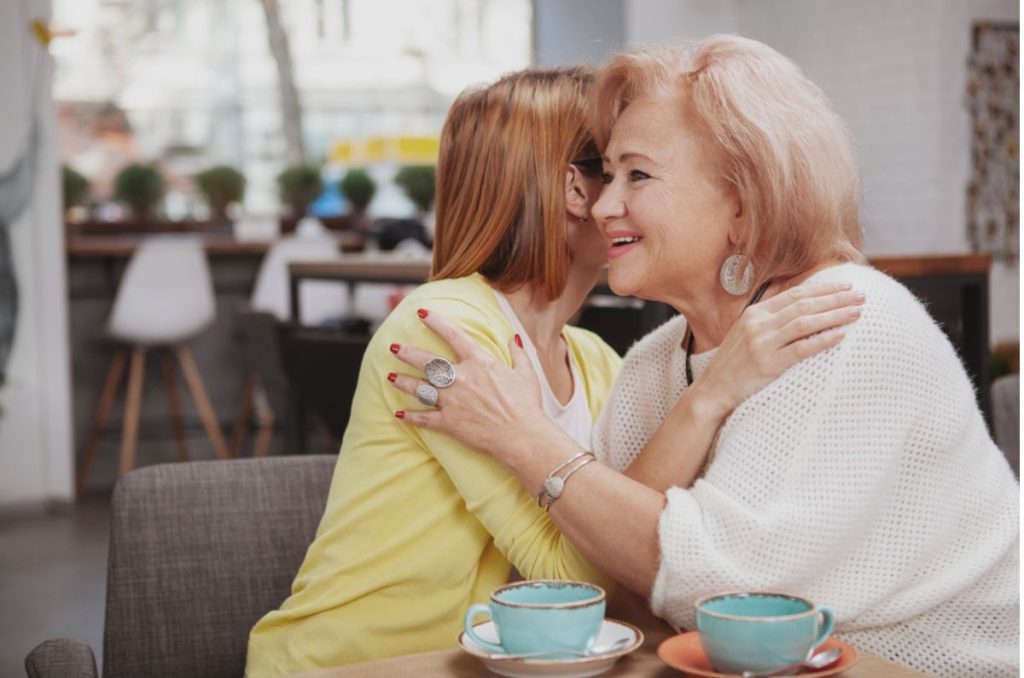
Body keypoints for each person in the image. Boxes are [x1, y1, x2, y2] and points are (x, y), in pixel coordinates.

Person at [389, 36, 1019, 676]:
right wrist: (701, 404)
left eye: (637, 174)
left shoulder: (846, 322)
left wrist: (521, 434)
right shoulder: (650, 365)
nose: (604, 205)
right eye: (608, 173)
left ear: (745, 202)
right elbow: (612, 582)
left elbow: (722, 588)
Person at [246, 65, 857, 676]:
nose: (628, 194)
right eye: (619, 172)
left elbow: (621, 535)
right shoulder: (444, 327)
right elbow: (576, 575)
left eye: (636, 174)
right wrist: (711, 394)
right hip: (351, 666)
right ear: (576, 190)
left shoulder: (594, 360)